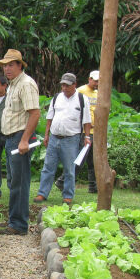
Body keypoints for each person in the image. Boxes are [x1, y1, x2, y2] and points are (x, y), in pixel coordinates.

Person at [0, 49, 41, 235]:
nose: (7, 68)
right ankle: (13, 220)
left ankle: (19, 224)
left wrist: (24, 140)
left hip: (19, 139)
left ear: (20, 65)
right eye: (5, 65)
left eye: (11, 64)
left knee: (20, 182)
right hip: (11, 139)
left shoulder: (26, 84)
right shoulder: (13, 84)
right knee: (14, 181)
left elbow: (35, 113)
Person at [34, 73, 91, 205]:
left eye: (67, 85)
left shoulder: (82, 99)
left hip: (71, 139)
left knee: (69, 169)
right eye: (63, 85)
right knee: (48, 166)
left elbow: (87, 121)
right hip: (54, 137)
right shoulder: (57, 98)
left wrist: (87, 137)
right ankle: (42, 193)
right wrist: (46, 135)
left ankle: (68, 195)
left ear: (74, 85)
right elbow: (49, 118)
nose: (64, 88)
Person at [56, 70, 99, 193]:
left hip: (95, 132)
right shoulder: (80, 91)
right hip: (84, 131)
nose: (96, 83)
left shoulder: (98, 94)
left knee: (93, 161)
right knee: (80, 159)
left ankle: (93, 186)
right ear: (89, 79)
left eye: (98, 81)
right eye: (95, 81)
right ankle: (63, 181)